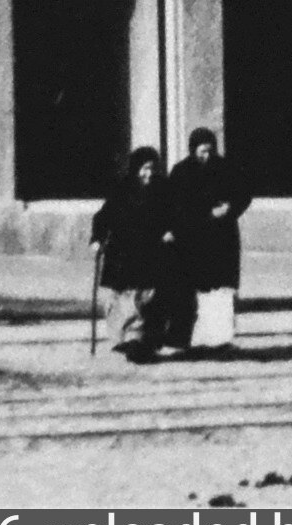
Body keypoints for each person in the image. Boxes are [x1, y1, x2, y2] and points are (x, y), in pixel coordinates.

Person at [159, 128, 250, 358]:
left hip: (222, 239)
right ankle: (188, 339)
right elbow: (172, 203)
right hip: (192, 238)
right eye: (202, 151)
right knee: (191, 289)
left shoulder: (226, 168)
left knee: (220, 291)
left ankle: (220, 341)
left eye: (210, 151)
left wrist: (230, 209)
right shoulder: (181, 171)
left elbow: (244, 193)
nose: (207, 156)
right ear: (193, 150)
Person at [90, 146, 164, 359]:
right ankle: (121, 339)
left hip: (149, 252)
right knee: (122, 298)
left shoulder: (160, 190)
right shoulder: (122, 190)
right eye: (144, 168)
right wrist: (97, 239)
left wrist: (170, 232)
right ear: (135, 168)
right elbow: (102, 217)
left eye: (152, 169)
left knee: (146, 298)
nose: (148, 173)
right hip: (122, 254)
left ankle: (139, 341)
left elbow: (170, 214)